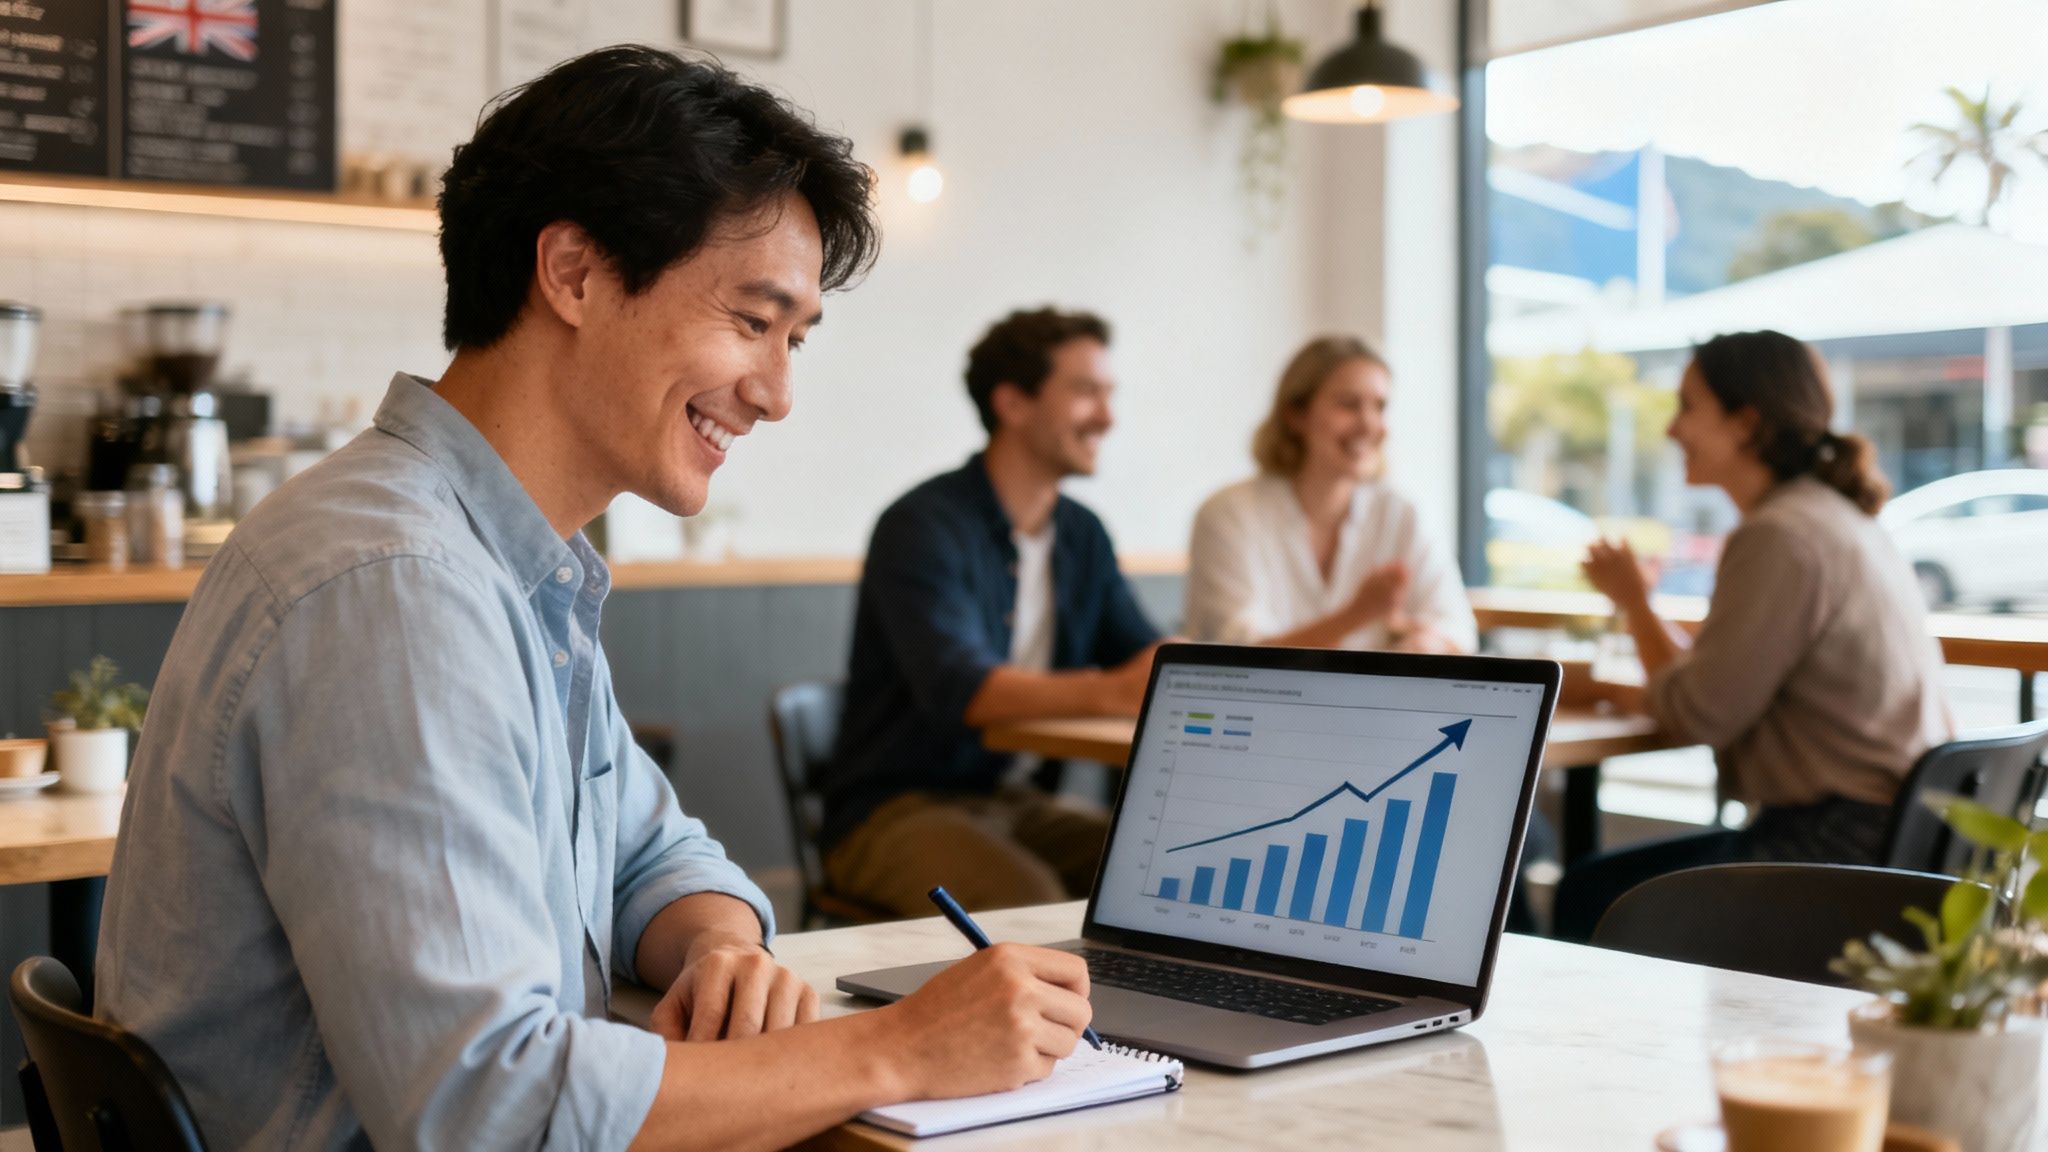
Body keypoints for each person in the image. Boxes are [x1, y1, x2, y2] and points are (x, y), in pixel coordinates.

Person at [95, 48, 1095, 1151]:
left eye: (794, 339)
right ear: (572, 273)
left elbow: (649, 853)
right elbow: (481, 1108)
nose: (775, 394)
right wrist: (899, 1048)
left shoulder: (508, 562)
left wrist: (717, 944)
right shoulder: (399, 590)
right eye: (753, 322)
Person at [1552, 330, 1953, 941]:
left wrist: (1630, 615)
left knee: (1592, 895)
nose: (1671, 429)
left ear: (1745, 422)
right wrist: (1639, 605)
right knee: (1597, 884)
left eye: (1687, 407)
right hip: (1896, 839)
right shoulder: (1832, 518)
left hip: (1835, 847)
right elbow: (1710, 689)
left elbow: (1698, 713)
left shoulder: (1779, 536)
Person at [823, 307, 1163, 917]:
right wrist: (1112, 691)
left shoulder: (1082, 535)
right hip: (892, 810)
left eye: (1109, 394)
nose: (1108, 418)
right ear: (1013, 403)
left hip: (1016, 802)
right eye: (1086, 392)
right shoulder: (921, 525)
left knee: (1161, 869)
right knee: (1028, 904)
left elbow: (1144, 654)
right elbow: (964, 690)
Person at [1183, 335, 1476, 653]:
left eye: (1380, 406)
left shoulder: (1403, 513)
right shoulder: (1228, 515)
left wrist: (1422, 640)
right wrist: (1357, 615)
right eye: (1349, 405)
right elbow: (1238, 657)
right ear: (1296, 415)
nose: (1369, 424)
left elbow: (1457, 631)